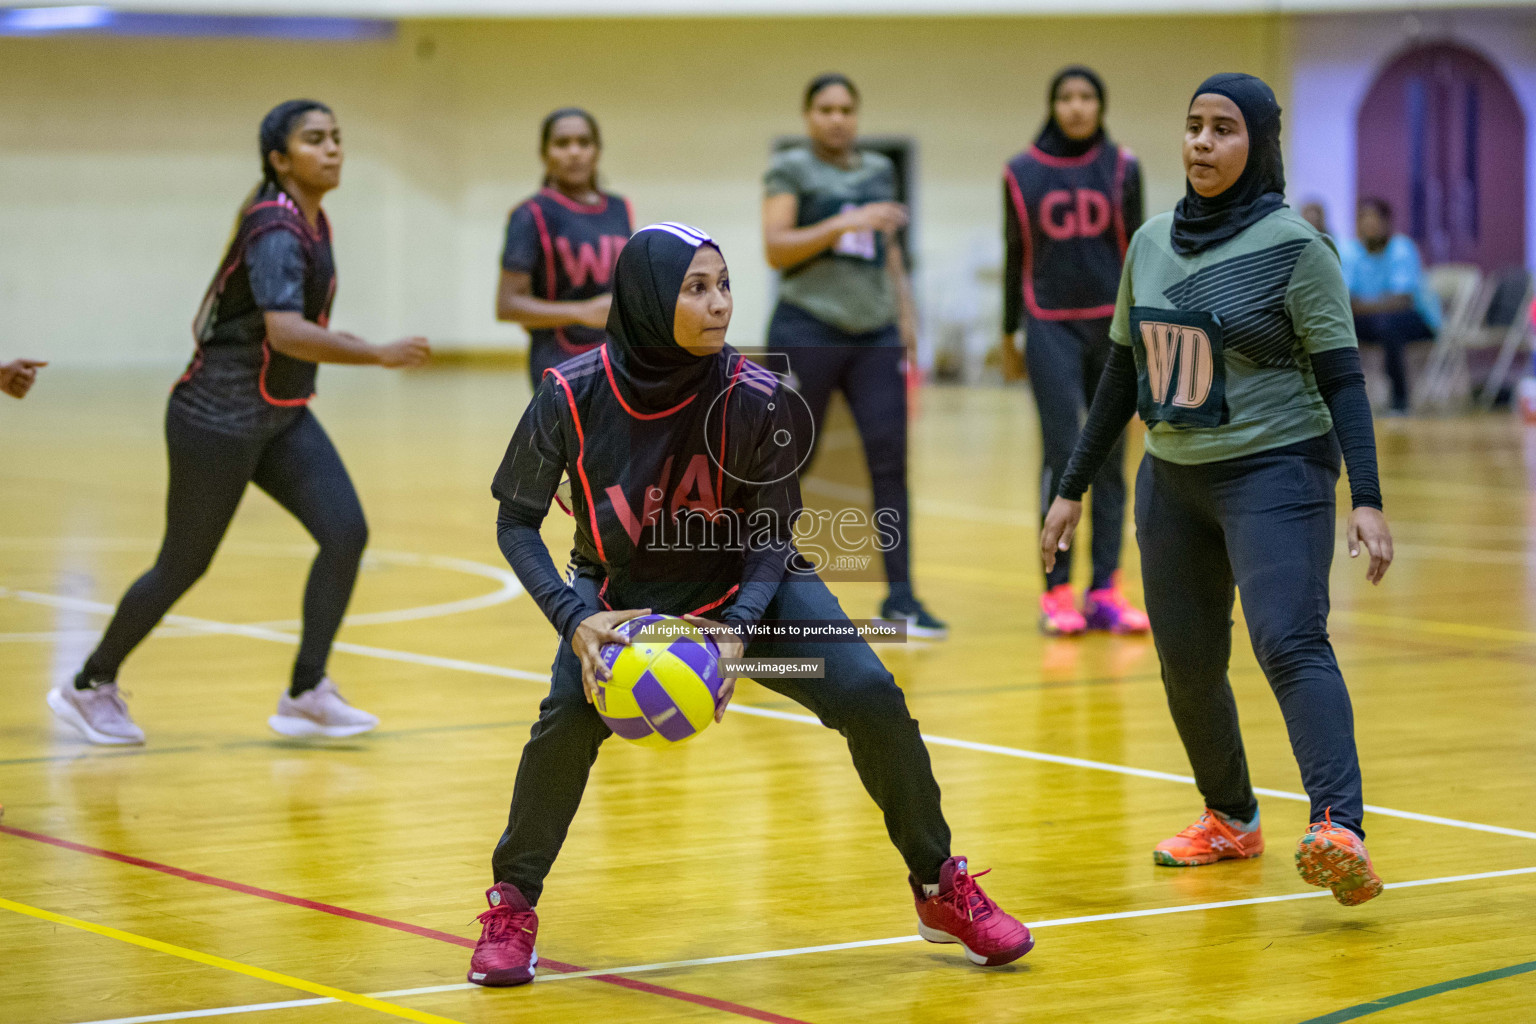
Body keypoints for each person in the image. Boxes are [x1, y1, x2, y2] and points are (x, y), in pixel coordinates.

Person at [467, 223, 1032, 987]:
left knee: (869, 692)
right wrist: (574, 620)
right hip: (622, 607)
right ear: (646, 298)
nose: (720, 303)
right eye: (696, 288)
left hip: (751, 596)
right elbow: (515, 520)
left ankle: (939, 887)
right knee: (564, 723)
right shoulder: (571, 392)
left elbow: (773, 530)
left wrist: (736, 632)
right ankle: (512, 903)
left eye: (725, 284)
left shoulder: (758, 393)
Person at [1040, 74, 1394, 907]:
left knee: (1288, 641)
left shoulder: (1297, 248)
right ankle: (1231, 817)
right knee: (1187, 662)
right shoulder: (1150, 242)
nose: (1201, 143)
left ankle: (1339, 825)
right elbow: (1122, 374)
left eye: (1223, 130)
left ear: (1257, 144)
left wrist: (1367, 496)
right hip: (1173, 479)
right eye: (1193, 126)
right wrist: (1072, 489)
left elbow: (1344, 380)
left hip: (1278, 469)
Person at [49, 99, 430, 747]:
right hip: (215, 419)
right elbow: (285, 333)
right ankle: (88, 685)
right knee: (182, 564)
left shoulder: (314, 220)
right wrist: (375, 352)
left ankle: (307, 691)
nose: (333, 148)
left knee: (345, 534)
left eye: (337, 137)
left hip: (278, 416)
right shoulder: (274, 230)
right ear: (280, 160)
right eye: (315, 140)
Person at [762, 73, 945, 638]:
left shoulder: (878, 172)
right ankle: (760, 588)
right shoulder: (790, 168)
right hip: (807, 326)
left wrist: (908, 319)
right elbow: (776, 247)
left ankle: (902, 597)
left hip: (875, 334)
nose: (836, 118)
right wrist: (844, 220)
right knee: (789, 463)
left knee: (890, 462)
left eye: (846, 109)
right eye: (825, 108)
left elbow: (888, 251)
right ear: (807, 115)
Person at [1002, 66, 1149, 636]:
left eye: (1088, 96)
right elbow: (1014, 254)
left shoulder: (1123, 166)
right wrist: (1008, 333)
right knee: (1064, 455)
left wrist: (1147, 330)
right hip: (1048, 327)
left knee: (1113, 461)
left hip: (1114, 329)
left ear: (1101, 104)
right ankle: (1057, 589)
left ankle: (1105, 587)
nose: (1077, 107)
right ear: (1052, 104)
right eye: (1066, 97)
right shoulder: (1020, 171)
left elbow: (1142, 251)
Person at [498, 108, 634, 390]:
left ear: (597, 151)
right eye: (562, 143)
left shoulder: (620, 209)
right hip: (559, 362)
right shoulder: (530, 215)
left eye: (584, 142)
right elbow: (508, 304)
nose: (574, 152)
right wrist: (581, 312)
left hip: (618, 357)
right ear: (544, 153)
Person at [1339, 197, 1441, 414]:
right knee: (1336, 325)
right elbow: (1345, 299)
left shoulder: (1402, 248)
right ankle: (1340, 400)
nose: (1369, 224)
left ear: (1387, 223)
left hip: (1416, 320)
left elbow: (1403, 300)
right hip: (1372, 321)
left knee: (1388, 325)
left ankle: (1399, 399)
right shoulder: (1350, 252)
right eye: (1363, 219)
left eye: (1374, 219)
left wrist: (1364, 305)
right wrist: (1375, 304)